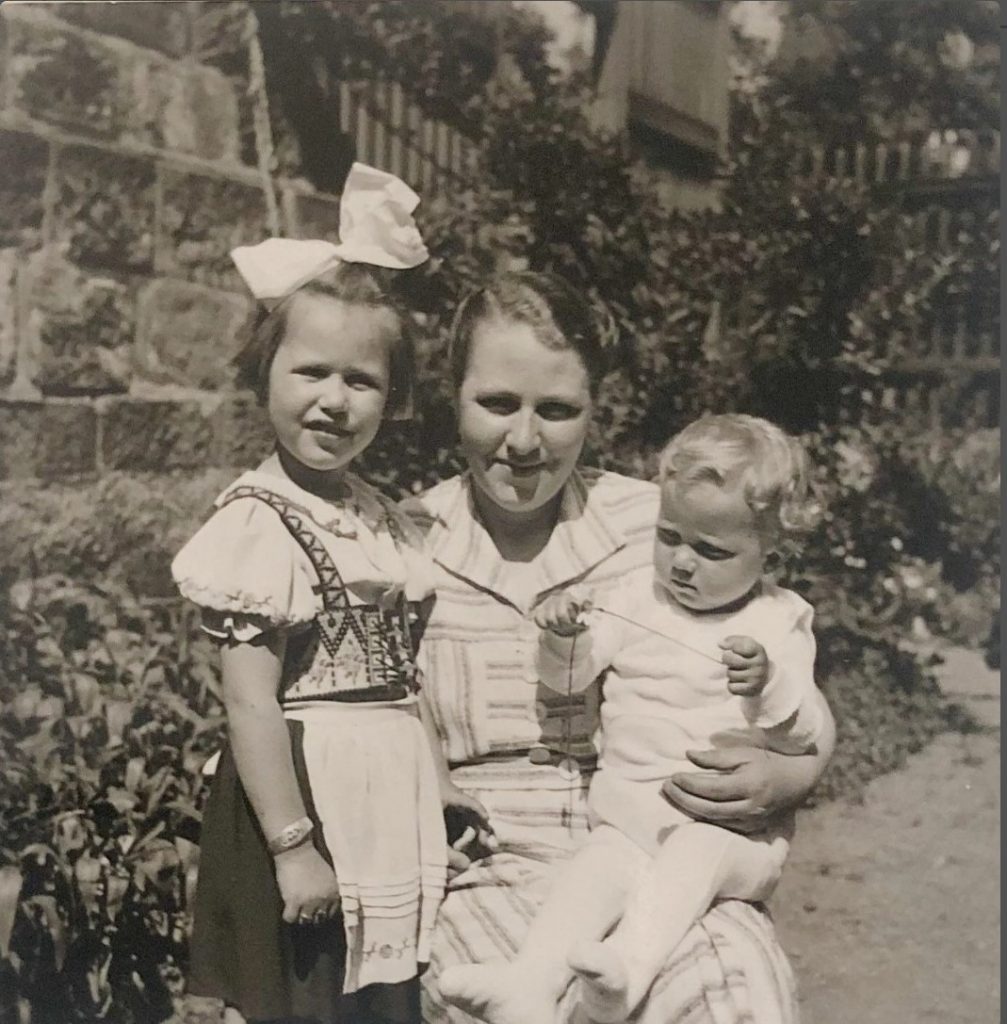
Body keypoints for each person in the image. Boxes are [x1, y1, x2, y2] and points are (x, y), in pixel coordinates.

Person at [403, 271, 836, 1024]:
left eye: (558, 409)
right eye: (497, 403)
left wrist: (790, 774)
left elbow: (794, 696)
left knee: (733, 991)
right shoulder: (404, 544)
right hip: (489, 865)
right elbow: (372, 709)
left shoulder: (660, 527)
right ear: (453, 394)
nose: (525, 439)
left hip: (664, 844)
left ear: (593, 409)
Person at [172, 164, 470, 1024]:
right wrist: (294, 849)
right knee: (300, 999)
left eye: (361, 381)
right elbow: (252, 706)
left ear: (392, 398)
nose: (333, 402)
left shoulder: (378, 519)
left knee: (378, 996)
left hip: (385, 801)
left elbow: (399, 679)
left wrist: (438, 782)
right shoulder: (261, 523)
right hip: (303, 803)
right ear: (265, 374)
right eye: (310, 373)